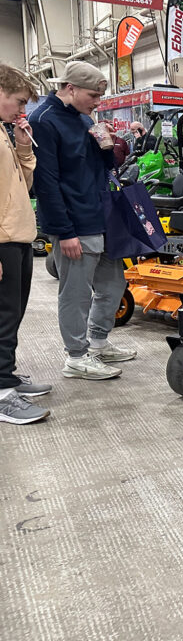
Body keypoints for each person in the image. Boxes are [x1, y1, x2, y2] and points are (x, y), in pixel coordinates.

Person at [30, 60, 135, 381]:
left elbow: (99, 166)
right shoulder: (44, 121)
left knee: (113, 284)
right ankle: (76, 357)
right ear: (70, 88)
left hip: (99, 216)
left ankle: (99, 342)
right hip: (74, 222)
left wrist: (107, 145)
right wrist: (64, 232)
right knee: (76, 294)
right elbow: (45, 182)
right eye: (93, 95)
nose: (98, 102)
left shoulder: (81, 118)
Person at [0, 63, 50, 423]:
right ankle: (1, 393)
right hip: (2, 239)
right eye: (18, 101)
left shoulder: (3, 131)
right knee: (2, 317)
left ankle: (6, 377)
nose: (21, 109)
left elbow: (25, 182)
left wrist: (21, 142)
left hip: (18, 236)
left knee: (12, 314)